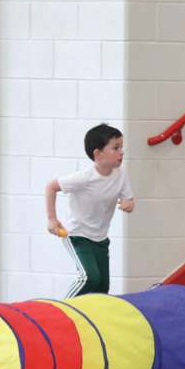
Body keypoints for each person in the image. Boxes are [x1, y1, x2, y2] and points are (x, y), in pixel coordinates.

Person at [45, 123, 134, 297]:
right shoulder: (84, 178)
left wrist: (128, 204)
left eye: (121, 147)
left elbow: (130, 201)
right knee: (89, 278)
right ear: (98, 154)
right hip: (77, 235)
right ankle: (63, 307)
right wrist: (51, 219)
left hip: (100, 239)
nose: (121, 152)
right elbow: (51, 187)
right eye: (116, 148)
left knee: (102, 287)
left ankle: (92, 313)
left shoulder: (121, 174)